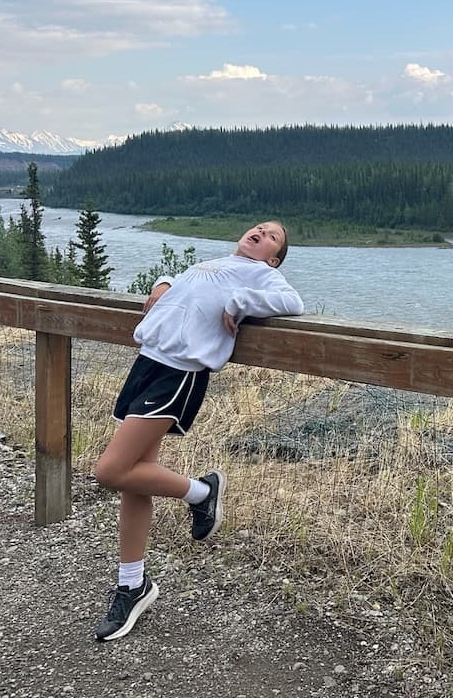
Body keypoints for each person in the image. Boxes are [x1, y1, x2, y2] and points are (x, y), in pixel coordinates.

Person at [91, 220, 305, 641]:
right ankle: (132, 585)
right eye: (258, 228)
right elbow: (190, 285)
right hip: (148, 361)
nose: (260, 233)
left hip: (180, 372)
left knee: (110, 470)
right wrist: (165, 280)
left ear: (274, 258)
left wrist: (241, 302)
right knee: (135, 481)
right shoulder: (216, 262)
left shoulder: (263, 275)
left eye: (271, 237)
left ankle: (203, 492)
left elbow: (291, 301)